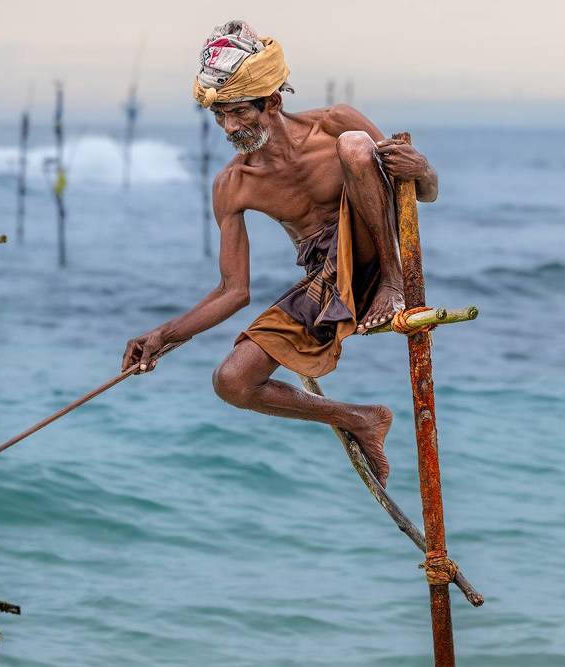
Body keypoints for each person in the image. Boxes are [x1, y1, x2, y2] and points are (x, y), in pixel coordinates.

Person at [122, 21, 439, 488]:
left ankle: (392, 286)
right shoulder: (234, 184)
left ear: (272, 102)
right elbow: (233, 291)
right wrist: (164, 336)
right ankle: (360, 417)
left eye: (239, 113)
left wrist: (425, 168)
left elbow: (423, 194)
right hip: (325, 278)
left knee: (355, 147)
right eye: (220, 116)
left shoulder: (335, 123)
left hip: (378, 249)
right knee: (232, 381)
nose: (230, 127)